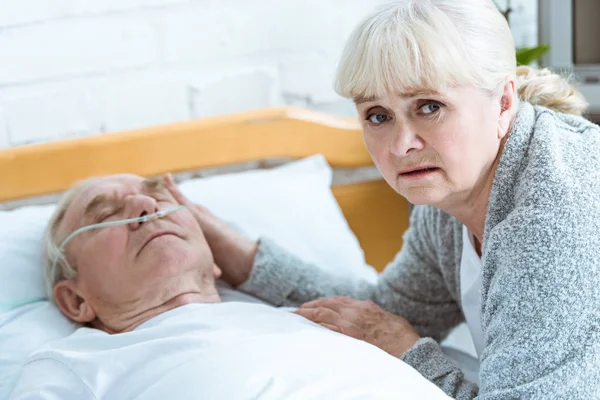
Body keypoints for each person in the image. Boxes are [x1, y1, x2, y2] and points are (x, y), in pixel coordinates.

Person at [171, 1, 600, 399]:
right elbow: (388, 314)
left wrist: (412, 355)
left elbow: (398, 336)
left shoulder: (553, 219)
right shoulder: (452, 200)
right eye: (378, 116)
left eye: (429, 107)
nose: (400, 146)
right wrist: (241, 256)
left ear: (503, 103)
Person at [9, 174, 450, 399]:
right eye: (106, 215)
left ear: (215, 260)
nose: (145, 205)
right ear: (75, 299)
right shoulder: (75, 365)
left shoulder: (325, 320)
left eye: (159, 198)